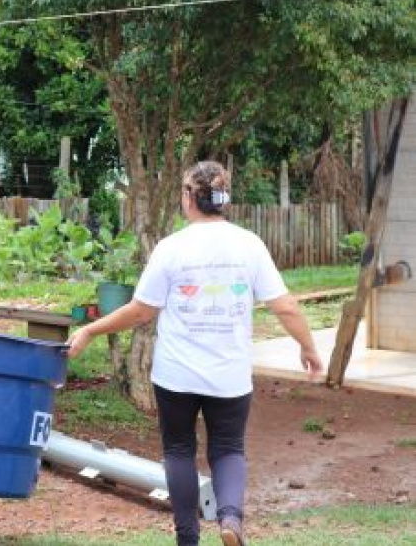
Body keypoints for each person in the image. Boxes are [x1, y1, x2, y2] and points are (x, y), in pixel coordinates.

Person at [66, 161, 322, 546]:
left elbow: (141, 311)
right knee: (229, 448)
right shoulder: (249, 244)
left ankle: (188, 538)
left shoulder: (172, 248)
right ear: (224, 199)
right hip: (229, 377)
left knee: (180, 450)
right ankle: (230, 519)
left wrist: (90, 328)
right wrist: (308, 346)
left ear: (189, 197)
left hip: (176, 375)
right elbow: (285, 306)